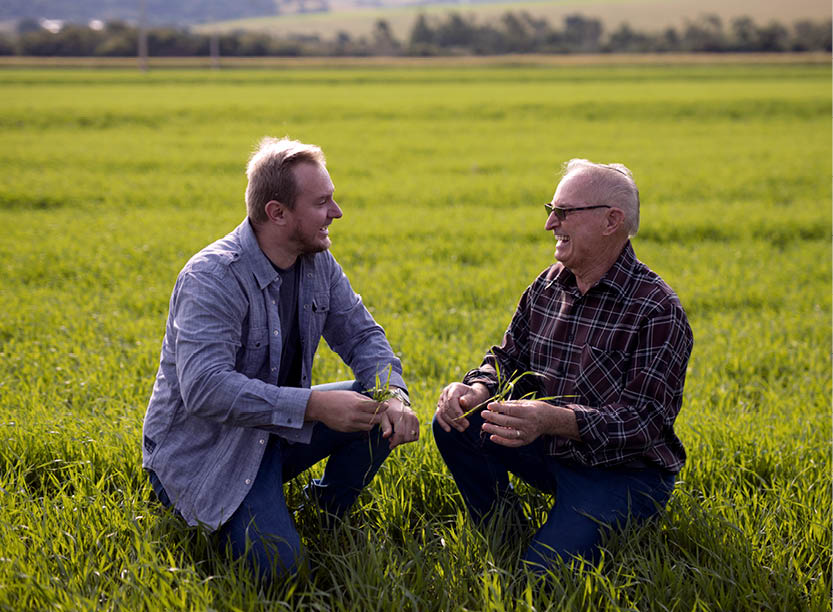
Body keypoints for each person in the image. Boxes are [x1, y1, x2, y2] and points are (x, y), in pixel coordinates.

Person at [142, 137, 419, 582]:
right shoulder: (212, 277)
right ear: (277, 213)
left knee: (375, 401)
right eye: (323, 202)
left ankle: (324, 511)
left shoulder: (317, 262)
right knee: (282, 573)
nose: (337, 212)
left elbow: (363, 335)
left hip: (276, 432)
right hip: (207, 454)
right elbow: (204, 388)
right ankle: (236, 512)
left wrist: (395, 396)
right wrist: (311, 405)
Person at [433, 159, 693, 571]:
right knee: (456, 420)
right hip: (554, 452)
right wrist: (478, 388)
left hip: (624, 474)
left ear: (611, 221)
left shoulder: (656, 308)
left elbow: (644, 423)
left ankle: (555, 540)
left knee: (540, 580)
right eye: (550, 210)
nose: (551, 223)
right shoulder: (549, 284)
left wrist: (553, 419)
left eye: (565, 212)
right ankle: (504, 531)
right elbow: (507, 358)